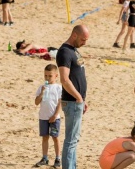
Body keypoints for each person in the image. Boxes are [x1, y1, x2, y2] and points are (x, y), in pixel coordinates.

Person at [56, 25, 90, 169]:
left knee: (74, 139)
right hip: (72, 102)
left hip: (77, 101)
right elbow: (64, 79)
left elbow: (77, 76)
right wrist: (78, 97)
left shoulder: (74, 50)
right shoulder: (64, 52)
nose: (85, 43)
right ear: (74, 35)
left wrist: (82, 99)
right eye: (83, 39)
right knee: (71, 140)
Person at [34, 64, 62, 168]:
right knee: (45, 137)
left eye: (50, 76)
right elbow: (36, 102)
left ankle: (58, 158)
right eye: (45, 75)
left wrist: (55, 115)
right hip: (43, 117)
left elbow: (60, 103)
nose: (47, 78)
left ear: (56, 76)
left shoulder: (58, 88)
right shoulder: (41, 87)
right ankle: (45, 158)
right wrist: (41, 93)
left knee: (55, 137)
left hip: (54, 118)